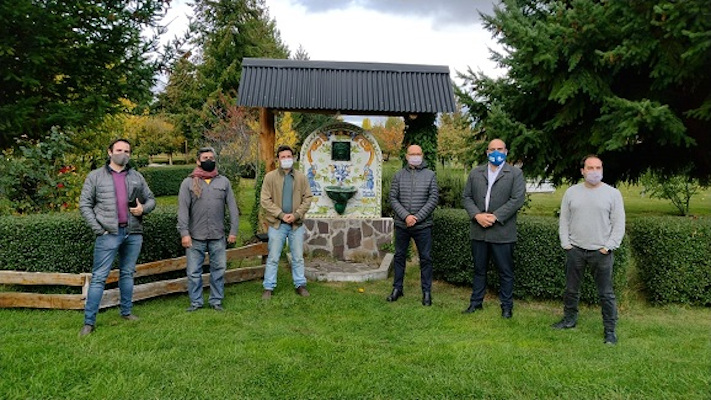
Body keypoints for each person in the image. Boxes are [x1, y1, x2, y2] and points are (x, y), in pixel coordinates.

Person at [78, 139, 155, 337]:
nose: (123, 154)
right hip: (108, 234)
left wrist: (142, 209)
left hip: (133, 233)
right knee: (99, 279)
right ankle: (89, 322)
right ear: (109, 152)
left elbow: (151, 200)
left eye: (127, 151)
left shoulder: (136, 176)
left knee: (127, 274)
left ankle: (126, 312)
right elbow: (84, 205)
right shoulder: (95, 176)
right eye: (119, 150)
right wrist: (99, 230)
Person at [552, 155, 625, 345]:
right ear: (582, 171)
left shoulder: (613, 194)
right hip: (575, 250)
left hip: (601, 253)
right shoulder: (571, 192)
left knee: (606, 293)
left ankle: (610, 330)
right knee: (571, 290)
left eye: (598, 168)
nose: (594, 172)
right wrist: (566, 244)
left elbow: (619, 224)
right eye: (590, 168)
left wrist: (608, 247)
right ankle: (569, 320)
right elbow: (564, 221)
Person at [462, 138, 525, 318]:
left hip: (502, 231)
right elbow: (466, 197)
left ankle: (506, 306)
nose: (496, 152)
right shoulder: (476, 173)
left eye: (500, 149)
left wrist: (496, 217)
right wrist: (477, 215)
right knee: (479, 269)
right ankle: (476, 303)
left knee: (505, 271)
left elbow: (517, 199)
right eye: (492, 149)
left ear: (506, 152)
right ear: (487, 153)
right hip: (479, 230)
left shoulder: (514, 174)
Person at [178, 147, 239, 312]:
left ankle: (216, 301)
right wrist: (184, 234)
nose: (209, 160)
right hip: (195, 236)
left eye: (211, 157)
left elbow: (233, 208)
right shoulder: (188, 183)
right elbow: (183, 210)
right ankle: (196, 302)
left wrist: (233, 231)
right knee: (193, 272)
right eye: (205, 157)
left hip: (217, 235)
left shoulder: (224, 182)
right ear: (198, 161)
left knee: (218, 270)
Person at [386, 144, 439, 306]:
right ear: (406, 156)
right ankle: (397, 288)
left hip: (423, 226)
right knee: (400, 256)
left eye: (418, 153)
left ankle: (426, 292)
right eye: (412, 154)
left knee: (426, 258)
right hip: (402, 225)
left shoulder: (430, 175)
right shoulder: (398, 175)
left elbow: (433, 199)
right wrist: (406, 216)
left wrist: (416, 217)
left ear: (422, 155)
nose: (415, 156)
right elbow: (393, 198)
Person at [260, 145, 313, 299]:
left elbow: (308, 198)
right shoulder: (270, 177)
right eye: (283, 157)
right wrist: (281, 215)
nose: (286, 159)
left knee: (297, 257)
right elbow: (265, 200)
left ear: (293, 158)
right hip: (278, 225)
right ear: (278, 159)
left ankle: (300, 285)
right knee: (273, 257)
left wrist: (296, 215)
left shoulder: (301, 177)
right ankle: (268, 287)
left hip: (296, 225)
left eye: (288, 156)